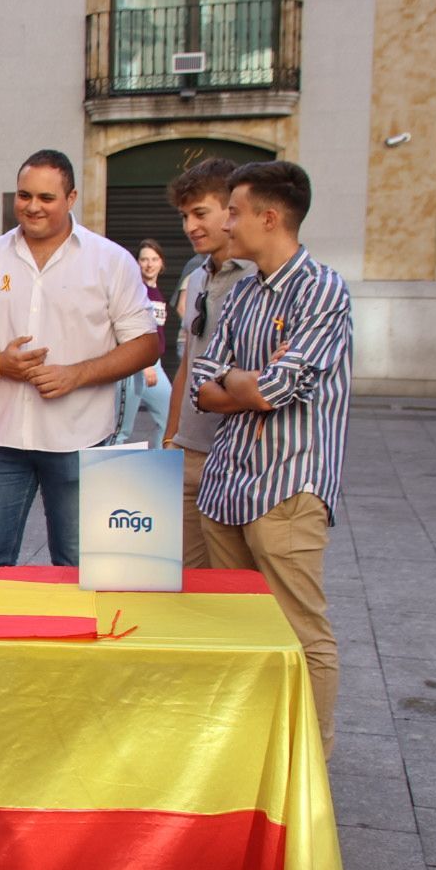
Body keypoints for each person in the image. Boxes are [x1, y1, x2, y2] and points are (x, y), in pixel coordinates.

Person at [191, 160, 351, 758]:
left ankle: (310, 760)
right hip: (227, 484)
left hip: (288, 485)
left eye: (233, 211)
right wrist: (244, 381)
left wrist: (242, 384)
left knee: (302, 630)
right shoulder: (243, 291)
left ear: (270, 216)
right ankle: (251, 752)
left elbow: (274, 391)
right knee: (235, 626)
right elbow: (205, 388)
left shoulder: (324, 289)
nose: (226, 222)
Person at [0, 149, 158, 567]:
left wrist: (77, 375)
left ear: (71, 198)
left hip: (79, 436)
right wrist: (0, 364)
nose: (32, 207)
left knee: (78, 563)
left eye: (46, 197)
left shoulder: (110, 261)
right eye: (24, 196)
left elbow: (145, 344)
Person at [161, 158, 254, 567]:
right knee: (185, 582)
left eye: (200, 213)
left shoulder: (258, 277)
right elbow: (187, 363)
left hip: (238, 459)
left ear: (230, 211)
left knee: (234, 585)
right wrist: (171, 439)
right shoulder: (197, 275)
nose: (190, 227)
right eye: (184, 216)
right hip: (188, 452)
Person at [111, 239, 172, 447]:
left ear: (161, 263)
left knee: (169, 421)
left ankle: (155, 473)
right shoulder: (134, 290)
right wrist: (143, 364)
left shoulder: (158, 294)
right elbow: (128, 330)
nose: (149, 264)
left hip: (156, 365)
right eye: (144, 259)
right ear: (137, 263)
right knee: (121, 430)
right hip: (135, 365)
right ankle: (109, 476)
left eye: (154, 259)